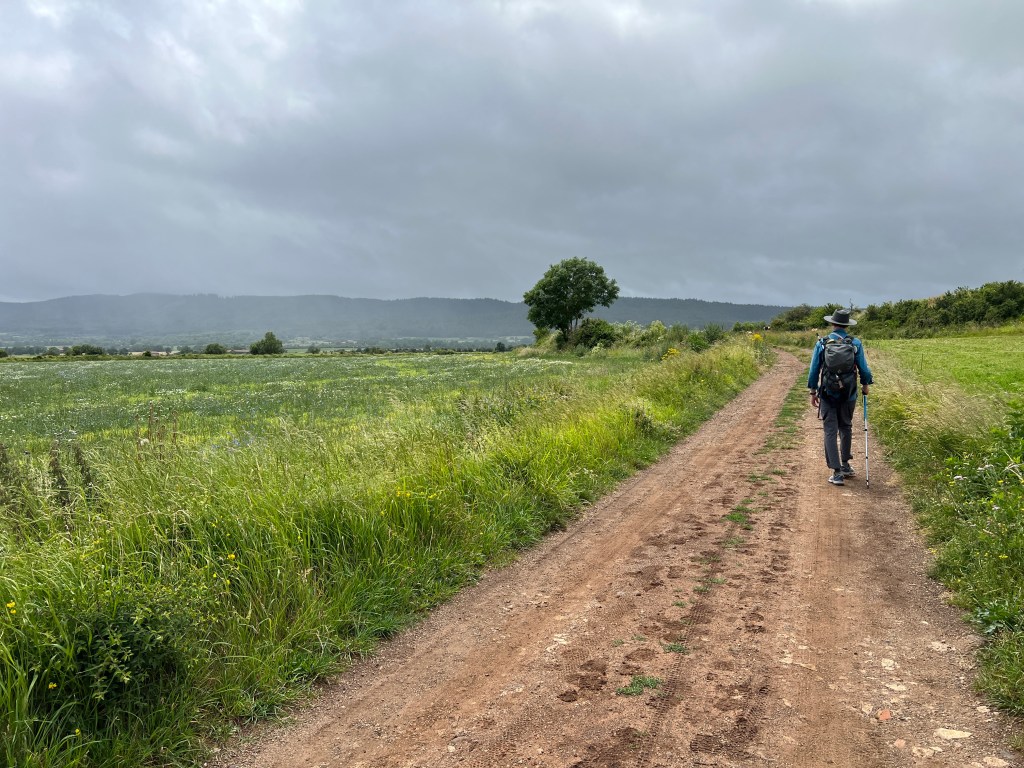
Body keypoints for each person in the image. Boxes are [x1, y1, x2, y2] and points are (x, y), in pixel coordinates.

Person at [807, 308, 873, 486]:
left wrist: (813, 392)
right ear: (846, 325)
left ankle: (836, 473)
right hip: (849, 393)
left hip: (828, 393)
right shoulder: (855, 343)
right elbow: (864, 369)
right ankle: (845, 465)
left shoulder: (822, 343)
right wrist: (866, 385)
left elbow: (814, 370)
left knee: (830, 430)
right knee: (846, 427)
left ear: (833, 323)